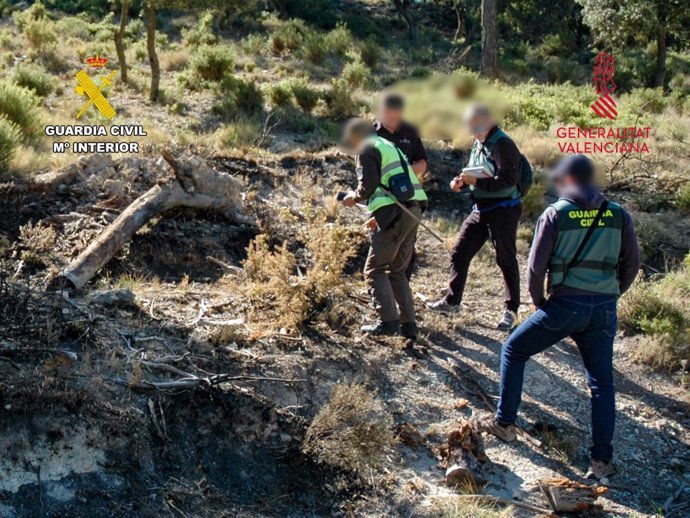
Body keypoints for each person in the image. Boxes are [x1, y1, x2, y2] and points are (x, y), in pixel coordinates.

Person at [474, 154, 640, 481]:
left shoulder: (555, 213)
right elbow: (632, 265)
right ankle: (601, 463)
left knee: (514, 350)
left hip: (564, 305)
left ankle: (505, 424)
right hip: (603, 309)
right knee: (601, 384)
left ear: (566, 180)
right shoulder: (619, 215)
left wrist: (540, 303)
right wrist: (610, 293)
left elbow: (536, 268)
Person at [427, 103, 523, 330]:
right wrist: (461, 182)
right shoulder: (479, 143)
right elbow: (473, 171)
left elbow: (508, 180)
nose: (475, 130)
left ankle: (511, 310)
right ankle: (452, 302)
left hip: (504, 209)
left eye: (478, 124)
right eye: (471, 126)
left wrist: (476, 183)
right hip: (482, 208)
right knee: (460, 252)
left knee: (505, 258)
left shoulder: (503, 144)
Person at [339, 118, 428, 339]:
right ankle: (409, 326)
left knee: (375, 269)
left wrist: (352, 198)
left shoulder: (366, 148)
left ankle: (388, 322)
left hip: (396, 213)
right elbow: (392, 182)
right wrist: (379, 216)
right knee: (397, 271)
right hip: (413, 209)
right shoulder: (389, 146)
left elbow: (368, 187)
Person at [374, 93, 428, 280]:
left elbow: (422, 164)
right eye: (388, 112)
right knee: (380, 247)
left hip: (408, 200)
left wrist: (402, 173)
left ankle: (402, 288)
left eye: (397, 112)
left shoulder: (410, 131)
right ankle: (385, 292)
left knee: (406, 250)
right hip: (381, 201)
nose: (392, 116)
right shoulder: (372, 133)